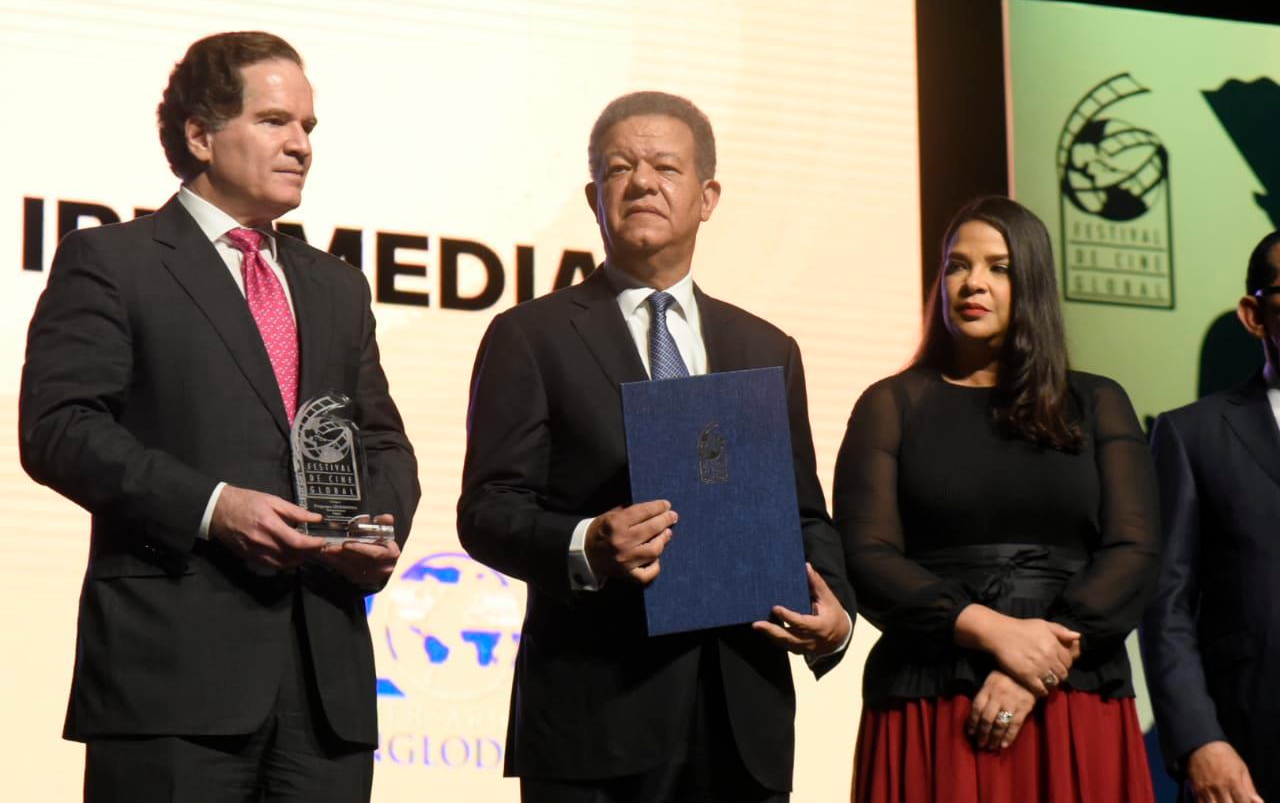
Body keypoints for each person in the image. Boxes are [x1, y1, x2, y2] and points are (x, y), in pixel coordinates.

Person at [19, 31, 419, 802]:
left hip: (324, 682)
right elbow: (60, 427)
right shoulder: (113, 261)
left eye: (308, 127)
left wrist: (373, 526)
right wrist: (213, 508)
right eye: (275, 122)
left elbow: (382, 438)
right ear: (200, 134)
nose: (301, 144)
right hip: (173, 679)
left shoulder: (336, 286)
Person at [457, 90, 855, 803]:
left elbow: (804, 513)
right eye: (619, 167)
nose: (642, 181)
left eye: (666, 166)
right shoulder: (531, 337)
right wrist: (586, 544)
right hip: (594, 720)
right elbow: (487, 510)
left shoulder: (766, 347)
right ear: (593, 195)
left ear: (707, 196)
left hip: (741, 723)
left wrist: (838, 616)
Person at [834, 196, 1158, 802]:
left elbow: (1134, 551)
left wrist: (1039, 662)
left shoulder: (1098, 401)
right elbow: (865, 554)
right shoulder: (890, 405)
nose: (972, 283)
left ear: (1031, 281)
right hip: (930, 692)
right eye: (957, 265)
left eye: (998, 267)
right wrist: (989, 631)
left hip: (1070, 694)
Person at [1140, 230, 1280, 803]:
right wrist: (1199, 740)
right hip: (1246, 758)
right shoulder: (1191, 434)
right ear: (1254, 314)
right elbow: (1164, 604)